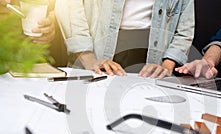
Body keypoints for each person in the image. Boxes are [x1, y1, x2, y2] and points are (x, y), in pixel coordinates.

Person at [55, 0, 195, 78]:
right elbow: (68, 6)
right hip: (96, 53)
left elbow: (185, 27)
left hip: (152, 60)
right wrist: (89, 59)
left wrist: (166, 67)